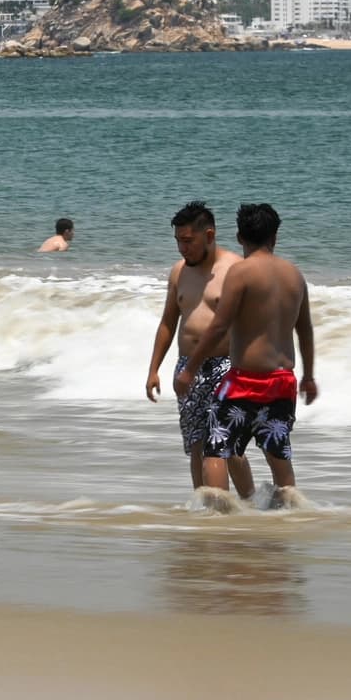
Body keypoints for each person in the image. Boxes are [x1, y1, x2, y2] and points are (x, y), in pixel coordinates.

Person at [176, 203, 318, 501]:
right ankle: (289, 514)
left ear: (240, 237)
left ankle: (218, 517)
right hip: (283, 381)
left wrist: (190, 369)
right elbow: (305, 330)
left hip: (244, 382)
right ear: (275, 237)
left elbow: (218, 326)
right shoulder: (295, 276)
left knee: (216, 448)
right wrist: (309, 376)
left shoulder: (240, 273)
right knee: (277, 451)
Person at [144, 201, 254, 495]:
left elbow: (255, 323)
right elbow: (168, 322)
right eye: (178, 241)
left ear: (209, 235)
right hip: (187, 368)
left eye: (188, 241)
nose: (182, 248)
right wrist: (153, 369)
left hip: (226, 366)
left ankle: (248, 506)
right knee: (196, 444)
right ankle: (206, 514)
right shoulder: (179, 272)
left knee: (225, 446)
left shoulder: (235, 269)